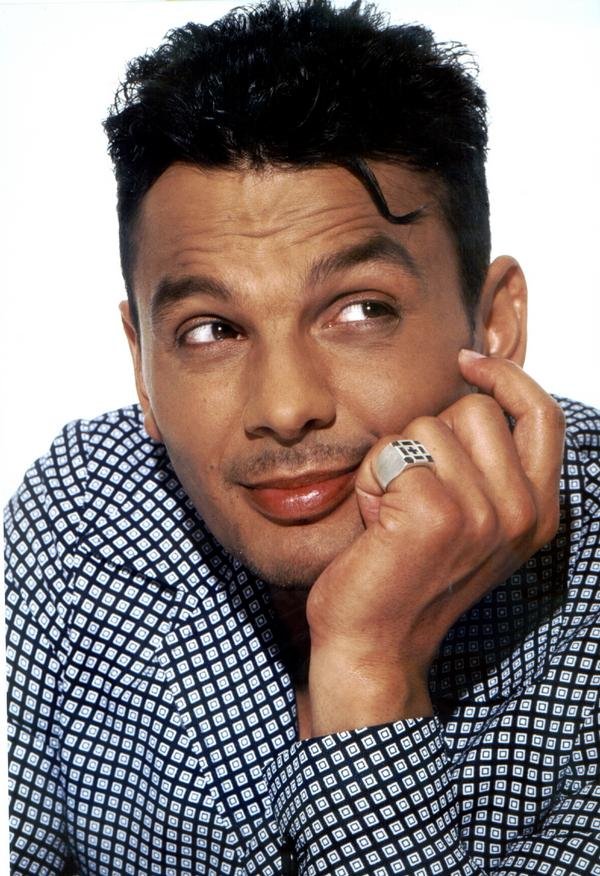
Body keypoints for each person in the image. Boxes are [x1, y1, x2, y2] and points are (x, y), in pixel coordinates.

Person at [4, 0, 599, 873]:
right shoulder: (82, 515)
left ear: (496, 324)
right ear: (141, 363)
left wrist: (369, 671)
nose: (285, 407)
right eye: (211, 329)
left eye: (361, 312)